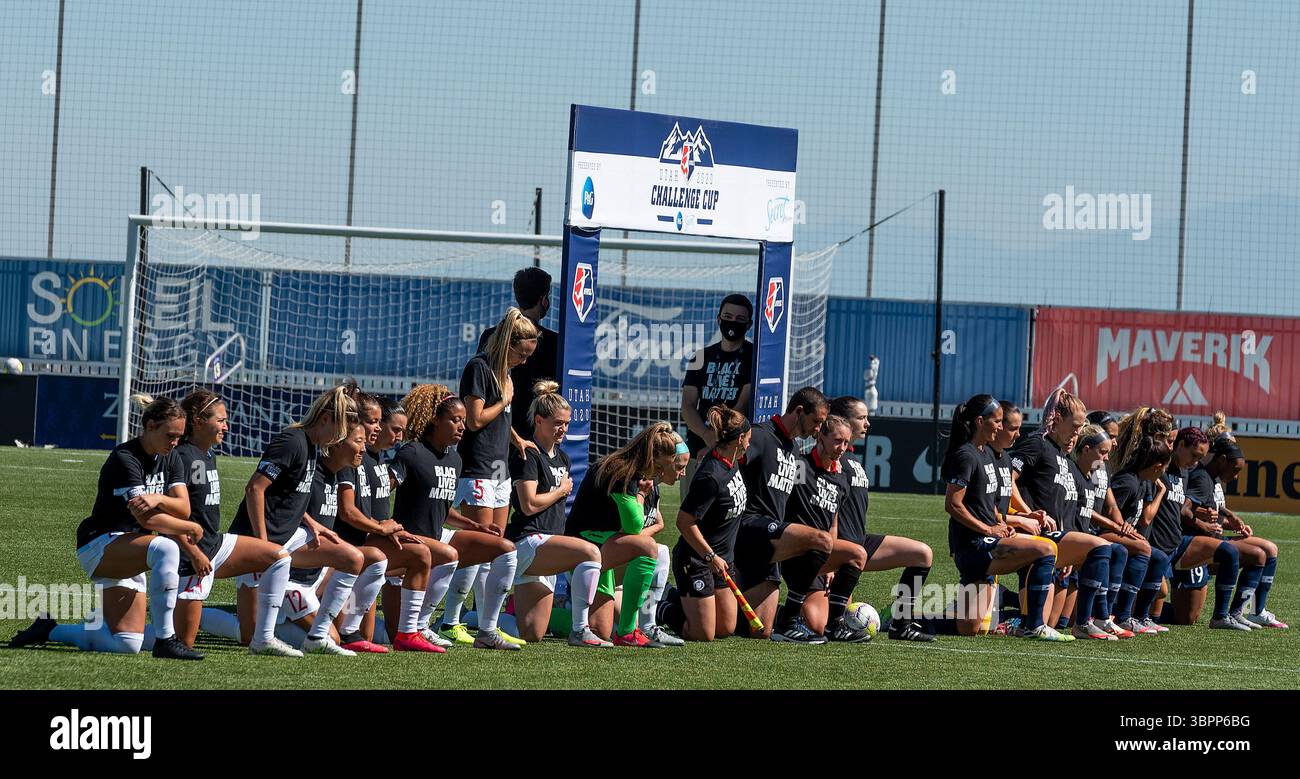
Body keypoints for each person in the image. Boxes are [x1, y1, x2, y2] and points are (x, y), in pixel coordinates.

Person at [10, 395, 205, 659]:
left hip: (132, 548)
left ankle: (50, 630)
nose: (175, 442)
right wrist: (188, 528)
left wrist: (158, 498)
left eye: (179, 437)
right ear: (149, 426)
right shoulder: (125, 458)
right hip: (100, 543)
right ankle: (165, 640)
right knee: (166, 548)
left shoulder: (170, 458)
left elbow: (184, 507)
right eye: (170, 435)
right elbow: (147, 520)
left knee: (126, 643)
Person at [225, 385, 370, 655]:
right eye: (339, 431)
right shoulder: (292, 441)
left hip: (288, 536)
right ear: (325, 419)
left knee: (352, 558)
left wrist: (310, 521)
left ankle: (317, 637)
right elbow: (255, 489)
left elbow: (289, 492)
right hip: (255, 538)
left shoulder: (314, 447)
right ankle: (201, 618)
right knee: (248, 633)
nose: (339, 439)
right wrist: (263, 544)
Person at [387, 385, 521, 651]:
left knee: (506, 550)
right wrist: (381, 525)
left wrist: (475, 525)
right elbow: (382, 491)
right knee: (449, 554)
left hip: (437, 535)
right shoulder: (411, 453)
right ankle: (421, 625)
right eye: (455, 420)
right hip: (408, 540)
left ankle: (487, 631)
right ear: (435, 419)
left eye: (463, 420)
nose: (462, 426)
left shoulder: (454, 459)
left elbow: (441, 506)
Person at [169, 390, 294, 650]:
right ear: (199, 421)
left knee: (278, 556)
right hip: (192, 553)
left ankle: (263, 638)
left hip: (215, 544)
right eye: (221, 420)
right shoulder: (181, 457)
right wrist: (192, 553)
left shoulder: (207, 454)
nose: (226, 426)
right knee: (180, 644)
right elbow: (166, 519)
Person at [942, 394, 1068, 640]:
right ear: (980, 421)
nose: (1000, 427)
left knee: (969, 629)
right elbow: (953, 505)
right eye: (998, 421)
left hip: (986, 540)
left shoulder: (988, 454)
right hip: (973, 545)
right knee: (1046, 550)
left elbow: (988, 506)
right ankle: (1033, 625)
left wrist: (1002, 523)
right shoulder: (966, 455)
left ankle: (904, 619)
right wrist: (989, 530)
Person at [820, 396, 936, 642]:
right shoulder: (832, 458)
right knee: (821, 623)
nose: (867, 423)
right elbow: (828, 508)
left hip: (859, 543)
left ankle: (901, 625)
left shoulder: (851, 457)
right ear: (844, 420)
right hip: (841, 548)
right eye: (861, 418)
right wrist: (828, 560)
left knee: (922, 554)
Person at [505, 380, 610, 648]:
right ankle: (580, 629)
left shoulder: (563, 458)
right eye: (557, 423)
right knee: (590, 552)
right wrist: (561, 491)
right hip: (527, 540)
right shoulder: (528, 454)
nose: (563, 429)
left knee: (531, 632)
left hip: (548, 543)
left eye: (566, 423)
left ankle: (470, 618)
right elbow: (528, 504)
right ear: (539, 421)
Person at [333, 390, 439, 653]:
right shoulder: (352, 456)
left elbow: (374, 510)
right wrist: (382, 528)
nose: (378, 429)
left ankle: (411, 630)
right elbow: (348, 512)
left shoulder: (376, 458)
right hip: (347, 548)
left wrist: (390, 527)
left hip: (369, 544)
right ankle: (407, 631)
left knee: (427, 554)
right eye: (374, 422)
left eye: (380, 423)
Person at [1008, 389, 1115, 639]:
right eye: (1075, 426)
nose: (1078, 432)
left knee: (1051, 623)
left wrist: (1068, 549)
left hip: (1055, 538)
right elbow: (1008, 479)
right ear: (1056, 419)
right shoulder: (1037, 444)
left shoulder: (1062, 454)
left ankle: (1004, 605)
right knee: (1101, 547)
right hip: (1037, 539)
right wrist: (1028, 514)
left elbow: (1064, 506)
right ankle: (1084, 622)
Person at [459, 307, 539, 639]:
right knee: (478, 546)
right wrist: (505, 397)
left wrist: (517, 439)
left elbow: (500, 419)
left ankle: (485, 623)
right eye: (522, 354)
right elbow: (475, 419)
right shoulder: (479, 368)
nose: (524, 362)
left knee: (496, 548)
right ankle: (450, 619)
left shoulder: (505, 373)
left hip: (500, 469)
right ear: (507, 343)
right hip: (477, 466)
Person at [566, 422, 683, 647]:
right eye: (660, 467)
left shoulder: (630, 468)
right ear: (650, 457)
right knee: (648, 546)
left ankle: (638, 627)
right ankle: (629, 631)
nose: (660, 473)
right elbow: (633, 527)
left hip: (604, 545)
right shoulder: (621, 472)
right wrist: (640, 495)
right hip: (584, 547)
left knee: (601, 630)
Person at [731, 387, 834, 638]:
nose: (818, 429)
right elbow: (728, 463)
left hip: (770, 535)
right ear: (799, 411)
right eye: (816, 422)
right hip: (749, 526)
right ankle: (790, 617)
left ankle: (676, 604)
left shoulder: (794, 449)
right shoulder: (761, 436)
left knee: (760, 631)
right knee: (822, 541)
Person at [1187, 419, 1287, 629]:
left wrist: (1230, 518)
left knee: (1269, 549)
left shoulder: (1213, 477)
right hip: (1202, 541)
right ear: (1221, 456)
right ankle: (1231, 613)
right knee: (1187, 616)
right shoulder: (1203, 475)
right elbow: (1191, 508)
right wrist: (1208, 521)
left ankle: (1254, 610)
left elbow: (1212, 508)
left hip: (1216, 536)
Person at [664, 406, 751, 641]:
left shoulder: (732, 462)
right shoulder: (711, 476)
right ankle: (663, 607)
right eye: (749, 439)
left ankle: (677, 597)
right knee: (703, 634)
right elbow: (684, 522)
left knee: (725, 628)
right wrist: (710, 557)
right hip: (697, 559)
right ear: (740, 439)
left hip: (723, 561)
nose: (749, 445)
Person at [1068, 423, 1141, 638]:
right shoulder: (1073, 473)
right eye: (1103, 452)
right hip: (1069, 539)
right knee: (1058, 621)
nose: (1107, 458)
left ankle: (1102, 617)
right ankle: (1083, 622)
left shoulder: (1090, 476)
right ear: (1086, 449)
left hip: (1082, 538)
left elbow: (1108, 507)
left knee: (1118, 550)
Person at [478, 267, 560, 440]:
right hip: (534, 435)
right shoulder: (553, 342)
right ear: (543, 300)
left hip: (496, 432)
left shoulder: (491, 335)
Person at [680, 294, 754, 484]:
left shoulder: (754, 358)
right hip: (699, 449)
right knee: (692, 510)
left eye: (740, 319)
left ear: (749, 324)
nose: (732, 322)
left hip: (734, 451)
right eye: (728, 317)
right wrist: (706, 435)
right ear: (718, 319)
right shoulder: (699, 357)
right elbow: (687, 406)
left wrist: (719, 444)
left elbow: (742, 405)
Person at [1108, 434, 1173, 634]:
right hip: (1106, 534)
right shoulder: (1127, 482)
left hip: (1123, 534)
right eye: (1164, 468)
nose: (1163, 472)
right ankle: (1124, 616)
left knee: (1160, 557)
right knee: (1143, 548)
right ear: (1156, 467)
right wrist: (1123, 528)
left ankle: (1141, 617)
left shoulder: (1143, 481)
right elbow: (1106, 512)